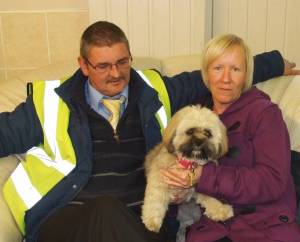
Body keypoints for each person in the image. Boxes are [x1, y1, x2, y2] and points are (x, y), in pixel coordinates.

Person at [0, 21, 298, 242]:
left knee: (121, 218)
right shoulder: (51, 102)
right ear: (83, 65)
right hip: (69, 219)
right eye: (103, 66)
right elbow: (5, 133)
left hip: (142, 224)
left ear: (130, 56)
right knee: (105, 210)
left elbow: (217, 75)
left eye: (122, 62)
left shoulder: (154, 92)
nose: (115, 74)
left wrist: (275, 63)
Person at [161, 34, 300, 242]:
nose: (226, 79)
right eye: (218, 68)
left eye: (235, 69)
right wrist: (174, 196)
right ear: (206, 73)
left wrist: (203, 176)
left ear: (246, 75)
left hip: (262, 226)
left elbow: (272, 180)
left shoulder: (264, 114)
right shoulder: (194, 116)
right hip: (212, 229)